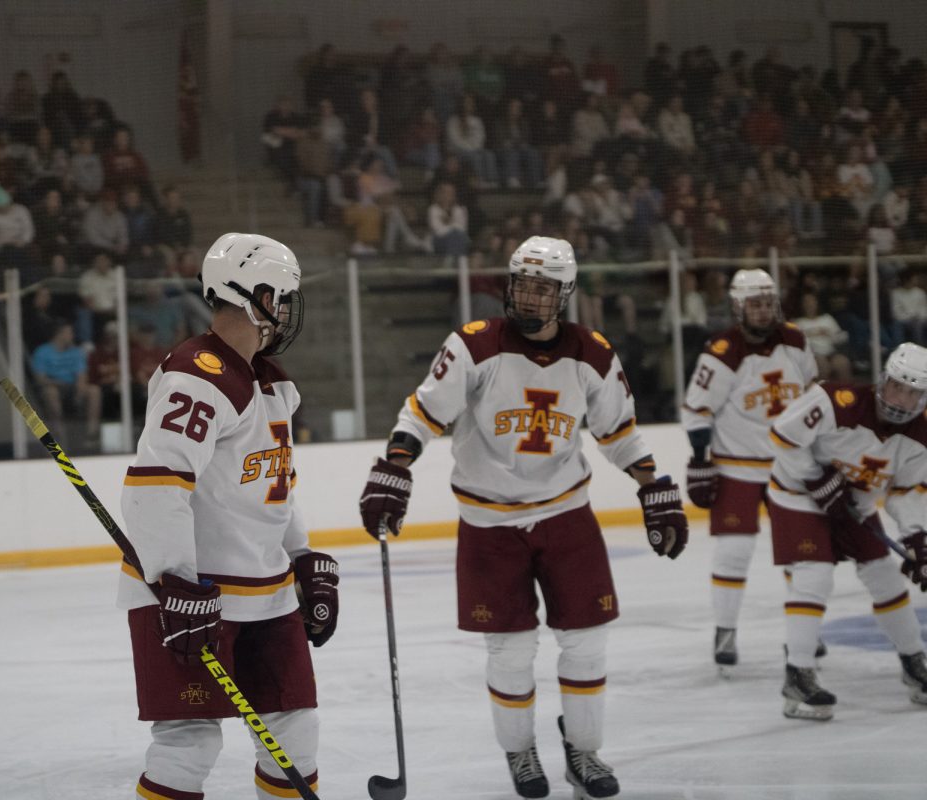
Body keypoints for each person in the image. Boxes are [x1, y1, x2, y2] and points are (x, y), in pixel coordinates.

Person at [358, 236, 688, 799]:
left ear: (565, 294)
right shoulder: (474, 346)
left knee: (585, 640)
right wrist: (395, 467)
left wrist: (653, 486)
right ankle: (520, 753)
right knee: (509, 650)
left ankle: (584, 752)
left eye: (544, 287)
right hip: (489, 524)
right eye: (523, 284)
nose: (530, 296)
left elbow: (620, 434)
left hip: (567, 515)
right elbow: (422, 411)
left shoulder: (594, 354)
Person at [118, 232, 337, 799]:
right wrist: (174, 581)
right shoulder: (197, 373)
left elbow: (275, 486)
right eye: (282, 297)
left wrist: (302, 556)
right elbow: (154, 488)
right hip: (194, 597)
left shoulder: (272, 382)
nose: (286, 311)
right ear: (256, 295)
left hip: (267, 591)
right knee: (188, 745)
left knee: (296, 732)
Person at [767, 343, 927, 720]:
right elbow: (783, 435)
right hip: (798, 494)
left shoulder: (920, 436)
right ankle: (798, 674)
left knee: (886, 578)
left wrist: (917, 537)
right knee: (814, 574)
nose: (900, 400)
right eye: (896, 386)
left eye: (913, 392)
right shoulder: (834, 399)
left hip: (855, 504)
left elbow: (905, 492)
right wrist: (816, 478)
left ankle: (914, 663)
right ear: (883, 380)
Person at [679, 270, 819, 671]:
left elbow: (815, 394)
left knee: (801, 554)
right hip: (737, 467)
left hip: (790, 466)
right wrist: (701, 459)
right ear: (738, 307)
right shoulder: (722, 350)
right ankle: (725, 630)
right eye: (754, 304)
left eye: (767, 303)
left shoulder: (794, 339)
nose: (762, 311)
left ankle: (804, 631)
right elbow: (696, 409)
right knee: (734, 551)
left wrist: (824, 449)